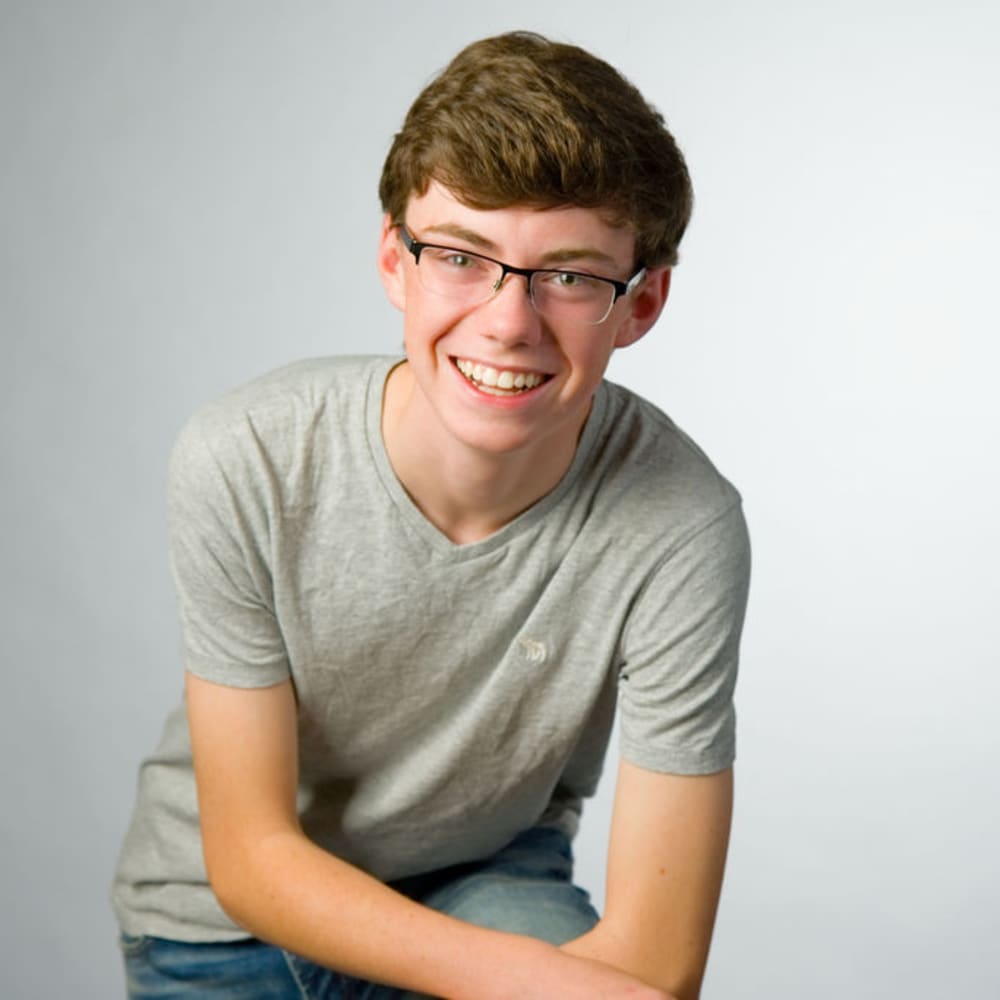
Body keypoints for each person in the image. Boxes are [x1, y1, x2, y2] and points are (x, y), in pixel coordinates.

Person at [112, 30, 750, 1000]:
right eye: (461, 256)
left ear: (642, 302)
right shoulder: (247, 456)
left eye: (570, 275)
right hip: (219, 920)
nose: (507, 320)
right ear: (393, 261)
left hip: (485, 877)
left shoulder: (681, 523)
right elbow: (248, 856)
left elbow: (658, 959)